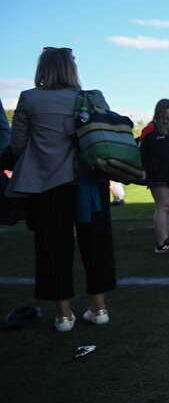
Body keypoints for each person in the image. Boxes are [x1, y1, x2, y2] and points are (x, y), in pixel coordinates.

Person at [6, 47, 115, 331]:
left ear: (43, 69)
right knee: (97, 245)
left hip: (46, 184)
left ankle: (63, 316)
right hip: (89, 183)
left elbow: (18, 146)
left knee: (52, 249)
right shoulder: (93, 96)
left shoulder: (29, 98)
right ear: (71, 69)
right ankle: (99, 308)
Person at [139, 99, 169, 253]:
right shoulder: (151, 129)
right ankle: (161, 243)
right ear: (163, 110)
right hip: (157, 173)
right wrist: (144, 170)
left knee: (168, 207)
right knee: (163, 206)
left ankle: (166, 240)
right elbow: (142, 151)